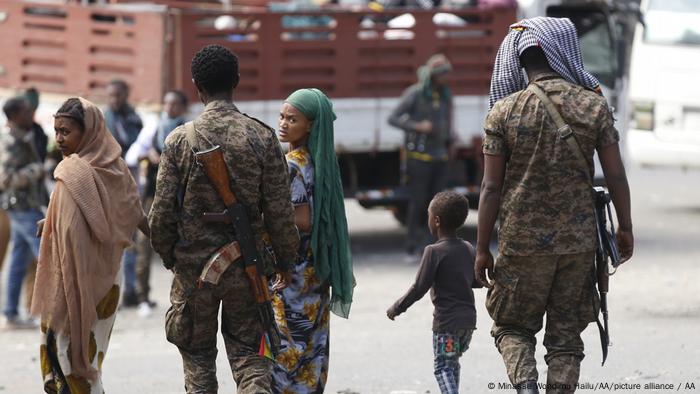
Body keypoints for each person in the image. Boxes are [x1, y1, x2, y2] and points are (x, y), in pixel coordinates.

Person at [476, 17, 634, 394]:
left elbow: (490, 187)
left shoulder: (504, 111)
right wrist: (624, 227)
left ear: (518, 61)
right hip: (579, 245)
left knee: (513, 327)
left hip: (521, 244)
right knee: (566, 337)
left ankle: (526, 388)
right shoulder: (594, 106)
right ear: (562, 52)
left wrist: (482, 248)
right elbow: (615, 175)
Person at [149, 44, 299, 394]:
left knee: (198, 357)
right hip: (247, 269)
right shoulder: (261, 136)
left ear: (196, 87)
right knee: (250, 357)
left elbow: (160, 216)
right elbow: (279, 212)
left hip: (194, 271)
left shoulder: (178, 140)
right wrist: (285, 262)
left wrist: (172, 257)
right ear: (237, 81)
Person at [31, 97, 147, 393]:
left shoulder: (110, 168)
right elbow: (73, 212)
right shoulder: (70, 168)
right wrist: (52, 221)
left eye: (66, 131)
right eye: (56, 131)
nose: (59, 138)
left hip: (101, 279)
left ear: (90, 131)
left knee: (78, 355)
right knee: (63, 350)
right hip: (66, 272)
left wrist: (169, 248)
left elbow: (133, 212)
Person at [272, 88, 355, 393]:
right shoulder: (320, 161)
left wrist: (265, 218)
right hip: (315, 271)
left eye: (292, 119)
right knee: (312, 349)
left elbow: (302, 219)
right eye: (281, 116)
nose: (283, 123)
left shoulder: (293, 163)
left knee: (286, 353)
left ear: (310, 125)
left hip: (293, 275)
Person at [387, 191, 476, 394]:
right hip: (468, 324)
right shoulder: (468, 248)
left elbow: (419, 288)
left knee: (442, 367)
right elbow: (475, 281)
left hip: (447, 326)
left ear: (436, 220)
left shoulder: (433, 251)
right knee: (452, 363)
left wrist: (397, 307)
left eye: (428, 215)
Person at [125, 90, 189, 317]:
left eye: (174, 104)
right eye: (167, 104)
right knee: (144, 245)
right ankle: (142, 296)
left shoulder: (188, 131)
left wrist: (165, 160)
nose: (169, 108)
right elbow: (132, 156)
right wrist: (148, 156)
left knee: (180, 247)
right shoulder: (154, 130)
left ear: (183, 107)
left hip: (180, 200)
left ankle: (182, 297)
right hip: (153, 196)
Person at [388, 54, 454, 260]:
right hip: (419, 157)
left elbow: (448, 121)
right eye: (442, 74)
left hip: (440, 156)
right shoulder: (415, 94)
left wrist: (450, 139)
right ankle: (411, 246)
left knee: (438, 205)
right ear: (433, 75)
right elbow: (393, 118)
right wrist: (418, 126)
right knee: (417, 202)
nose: (446, 78)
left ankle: (433, 246)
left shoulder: (444, 95)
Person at [0, 96, 47, 329]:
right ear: (15, 116)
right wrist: (36, 170)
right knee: (46, 256)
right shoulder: (10, 141)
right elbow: (5, 178)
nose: (31, 115)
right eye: (26, 112)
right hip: (21, 207)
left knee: (18, 261)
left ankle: (10, 313)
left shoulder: (23, 136)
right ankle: (50, 313)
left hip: (24, 206)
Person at [104, 79, 144, 307]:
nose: (114, 100)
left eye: (118, 95)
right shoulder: (102, 120)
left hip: (128, 187)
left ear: (126, 94)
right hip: (108, 187)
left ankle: (130, 291)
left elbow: (137, 147)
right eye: (111, 96)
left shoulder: (133, 119)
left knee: (128, 240)